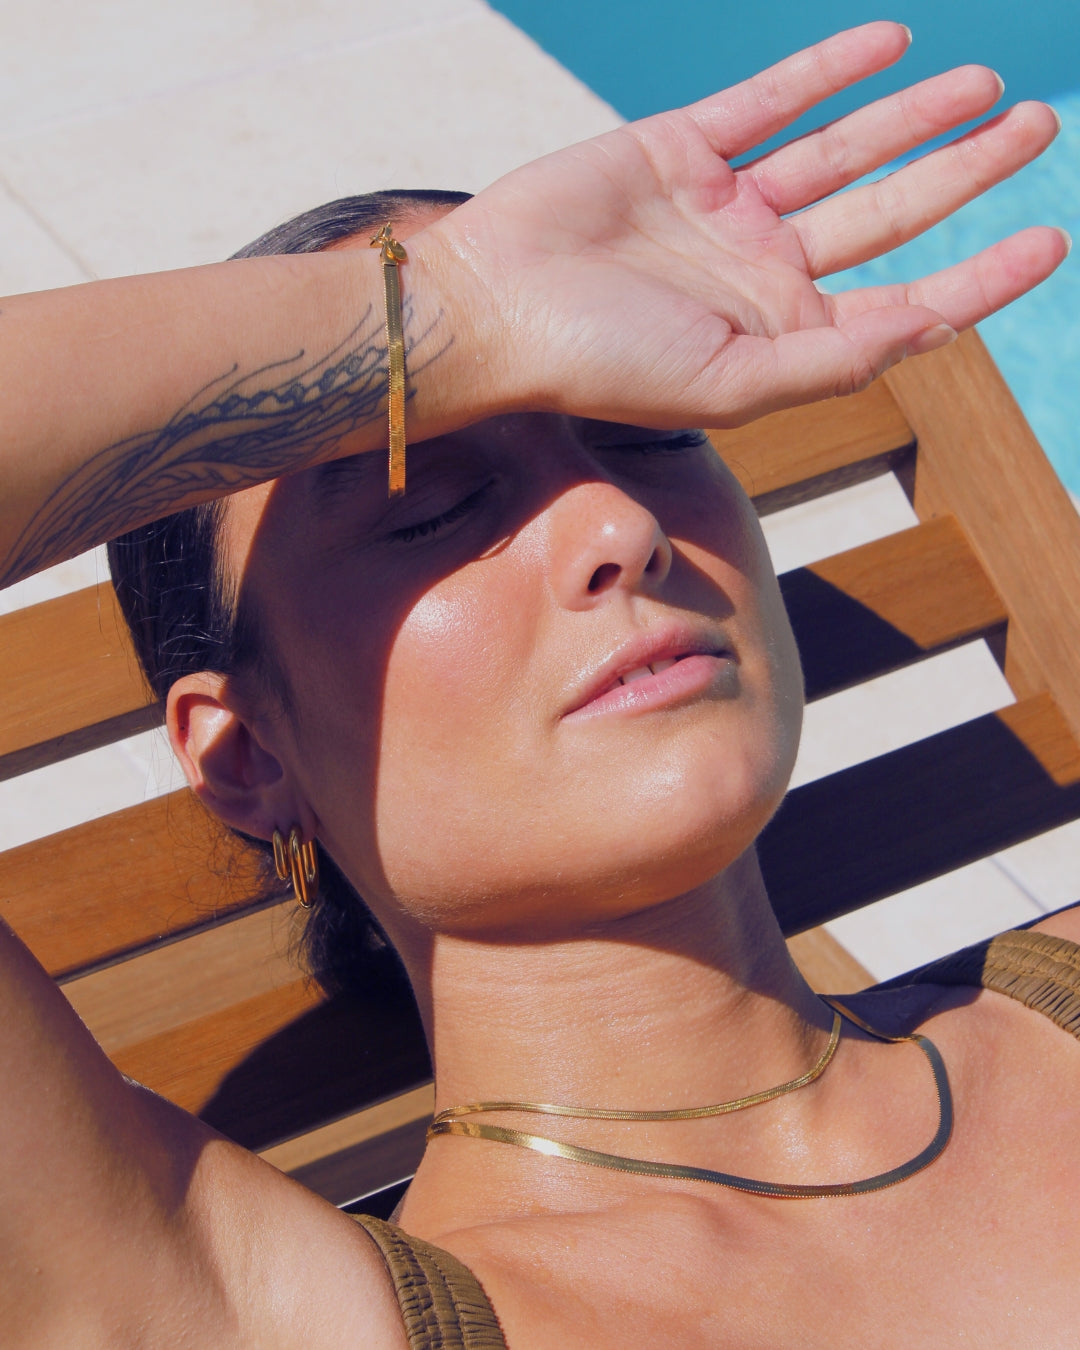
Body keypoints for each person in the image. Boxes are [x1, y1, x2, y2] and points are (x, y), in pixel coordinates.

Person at [1, 21, 1077, 1347]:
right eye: (426, 509)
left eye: (647, 438)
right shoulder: (244, 1310)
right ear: (247, 751)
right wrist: (450, 308)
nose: (619, 525)